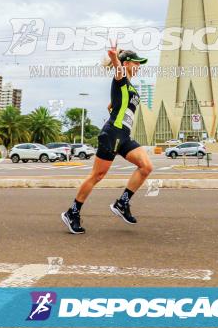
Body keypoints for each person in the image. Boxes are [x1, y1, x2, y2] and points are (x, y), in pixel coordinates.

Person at [61, 42, 153, 234]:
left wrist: (113, 107)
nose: (138, 67)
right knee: (98, 175)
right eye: (136, 63)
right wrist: (113, 57)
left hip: (124, 135)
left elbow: (114, 104)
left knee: (146, 166)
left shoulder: (128, 86)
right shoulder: (120, 77)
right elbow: (118, 70)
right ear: (126, 63)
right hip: (112, 134)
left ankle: (122, 203)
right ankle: (72, 212)